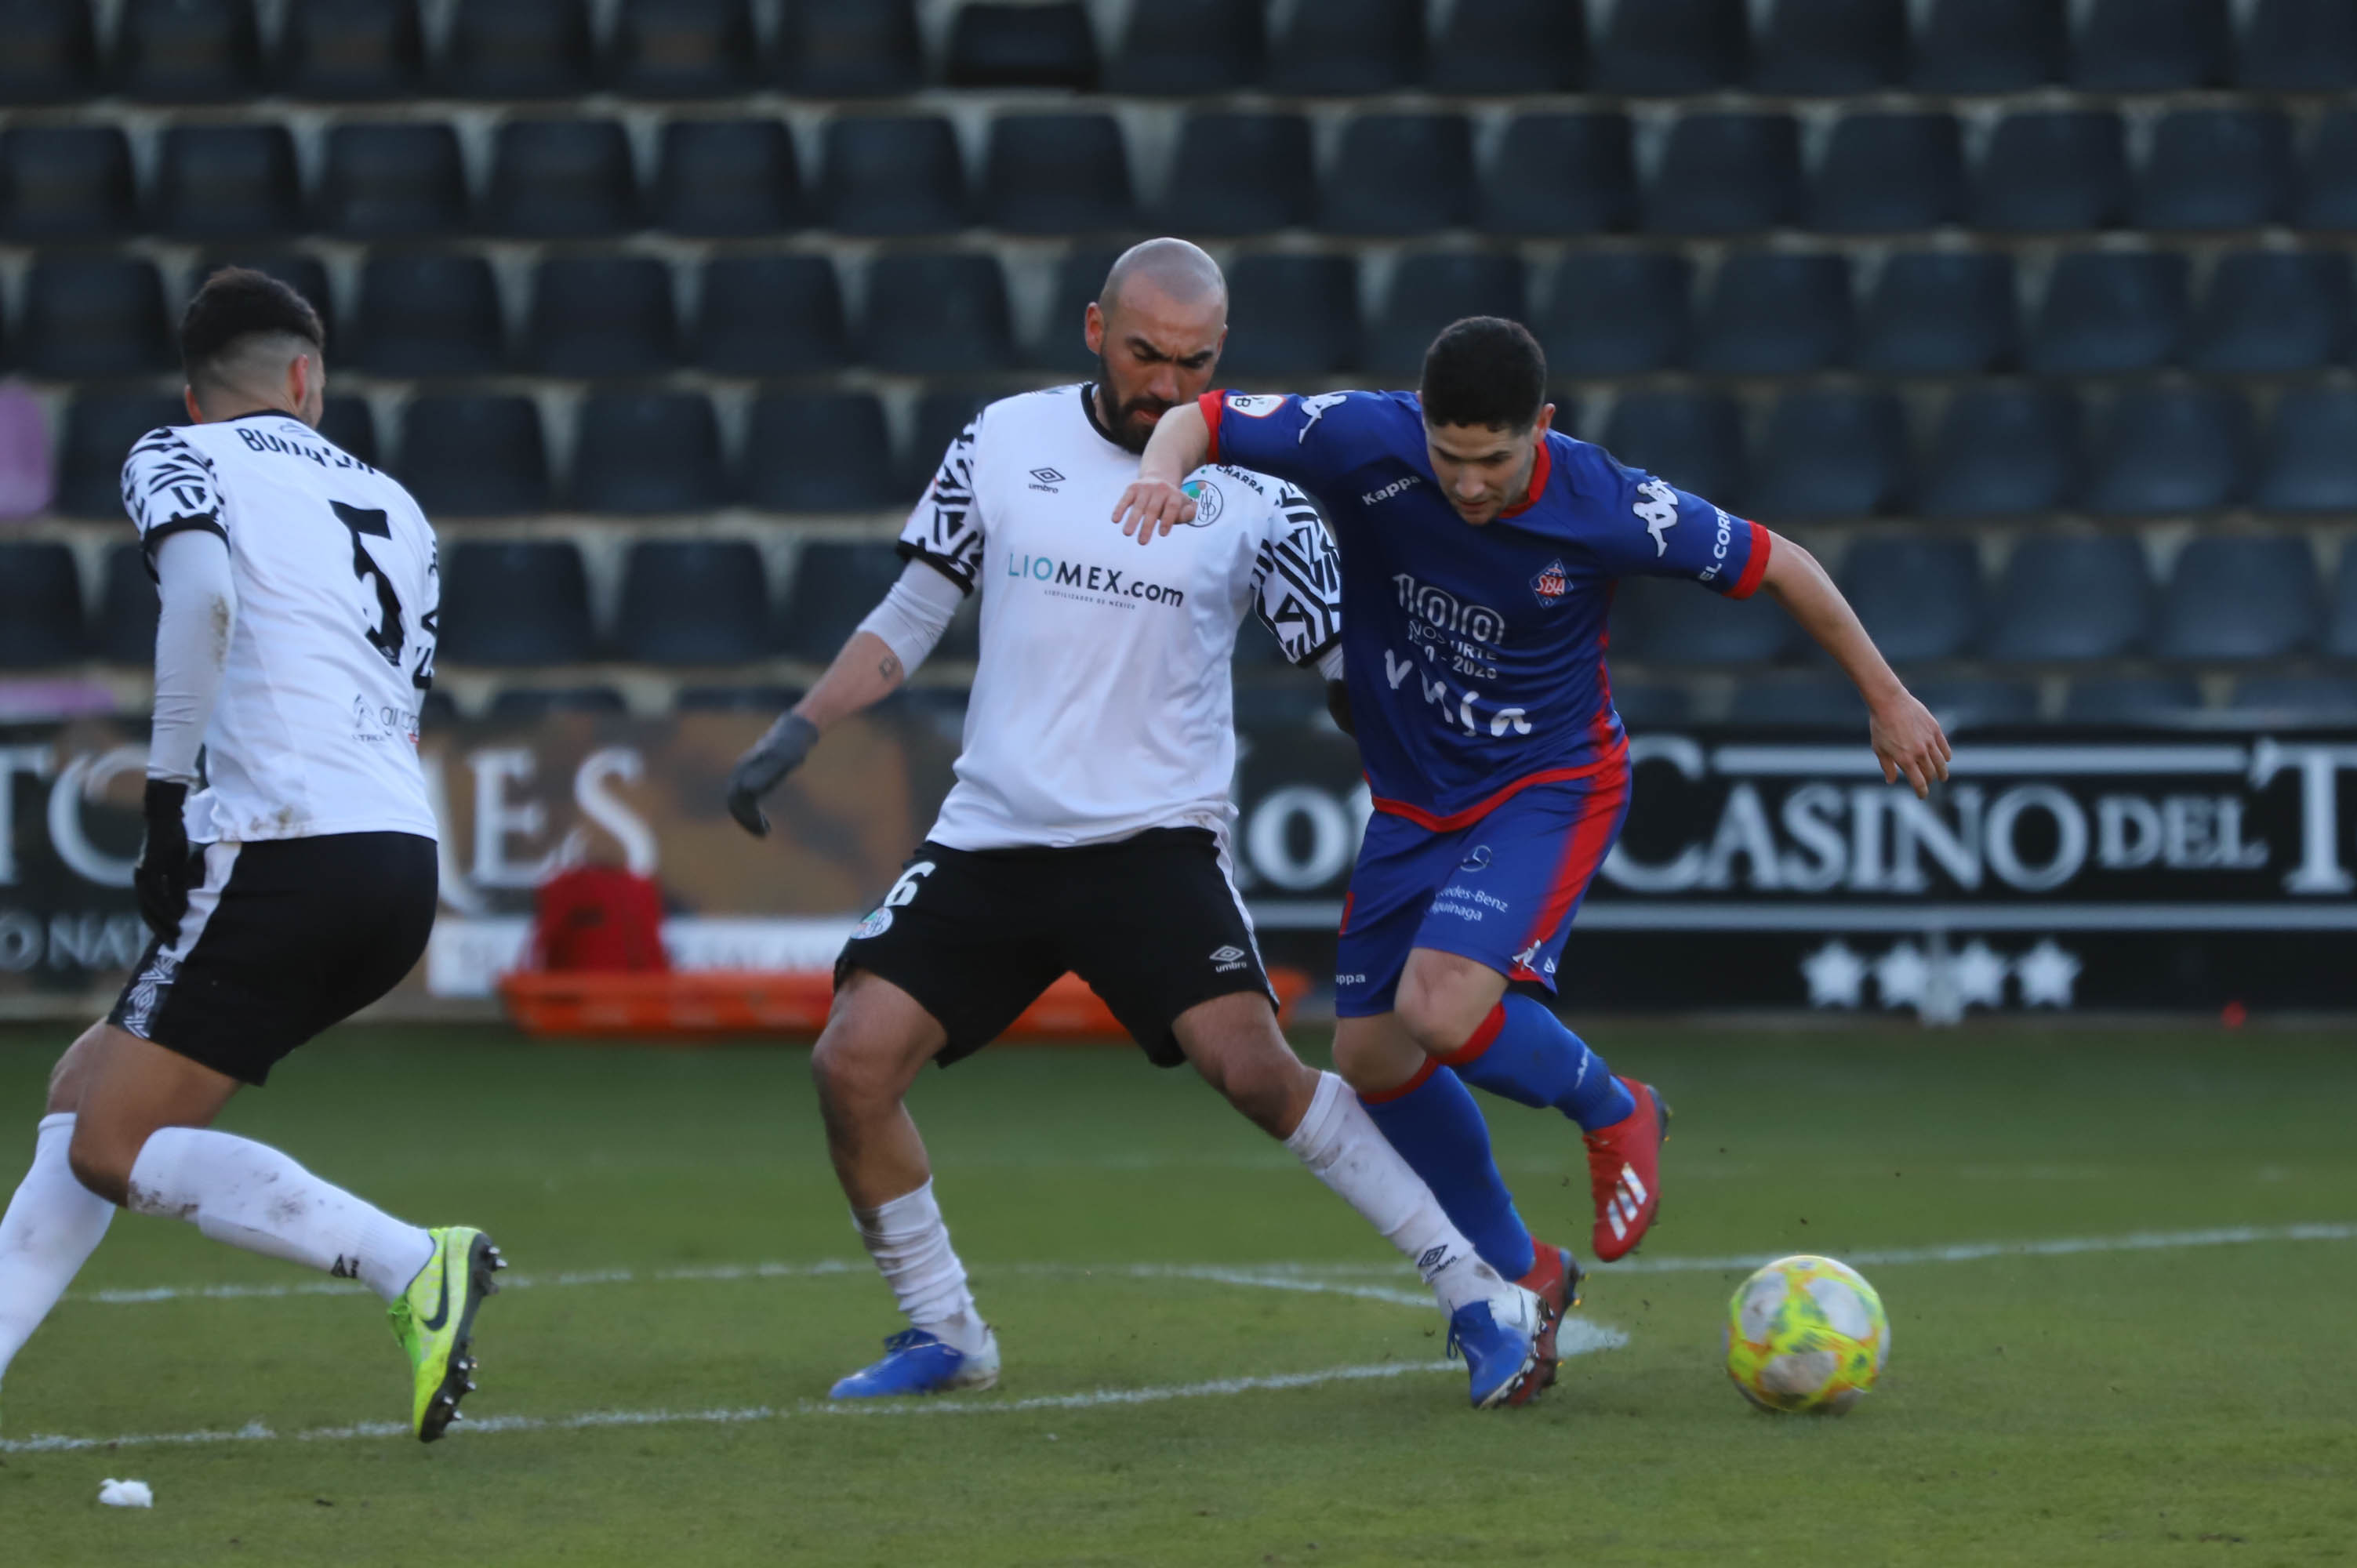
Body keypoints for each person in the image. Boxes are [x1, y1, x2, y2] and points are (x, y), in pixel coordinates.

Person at [727, 243, 1563, 1409]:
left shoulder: (1261, 496)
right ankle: (944, 1331)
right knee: (851, 1065)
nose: (1165, 386)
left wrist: (1446, 807)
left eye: (1194, 362)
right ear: (1092, 329)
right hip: (990, 836)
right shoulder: (1002, 439)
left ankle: (1479, 1292)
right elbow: (913, 609)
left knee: (1258, 1074)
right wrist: (799, 732)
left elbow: (1345, 678)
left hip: (1152, 841)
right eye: (1143, 355)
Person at [1111, 316, 1951, 1290]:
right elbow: (1202, 418)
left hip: (1547, 785)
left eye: (1495, 460)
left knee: (1439, 1005)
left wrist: (1887, 698)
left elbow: (1782, 564)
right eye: (1449, 456)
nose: (1469, 484)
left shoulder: (1608, 503)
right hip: (1416, 799)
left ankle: (1616, 1107)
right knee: (1373, 1056)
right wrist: (1162, 472)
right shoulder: (1359, 436)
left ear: (1541, 426)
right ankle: (1526, 1270)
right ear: (1420, 421)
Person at [0, 269, 500, 1443]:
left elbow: (205, 600)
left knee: (113, 1144)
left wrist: (168, 792)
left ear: (192, 391)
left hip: (283, 843)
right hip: (397, 854)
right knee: (84, 1104)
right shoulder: (397, 501)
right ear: (307, 377)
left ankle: (407, 1263)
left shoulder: (177, 453)